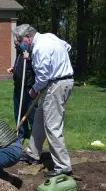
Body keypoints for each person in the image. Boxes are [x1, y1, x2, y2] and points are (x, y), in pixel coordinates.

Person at [14, 24, 74, 178]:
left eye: (20, 40)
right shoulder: (50, 36)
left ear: (28, 37)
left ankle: (63, 166)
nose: (20, 43)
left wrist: (34, 90)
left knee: (52, 126)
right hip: (59, 81)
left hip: (55, 84)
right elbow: (67, 47)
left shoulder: (40, 48)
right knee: (39, 120)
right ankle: (33, 153)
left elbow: (42, 76)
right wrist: (59, 61)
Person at [6, 36, 37, 142]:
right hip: (18, 86)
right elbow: (20, 65)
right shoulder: (19, 52)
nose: (15, 46)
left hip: (28, 86)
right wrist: (14, 69)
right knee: (19, 110)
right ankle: (22, 132)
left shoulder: (31, 50)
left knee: (30, 110)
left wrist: (29, 59)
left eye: (16, 44)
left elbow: (36, 66)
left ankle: (35, 132)